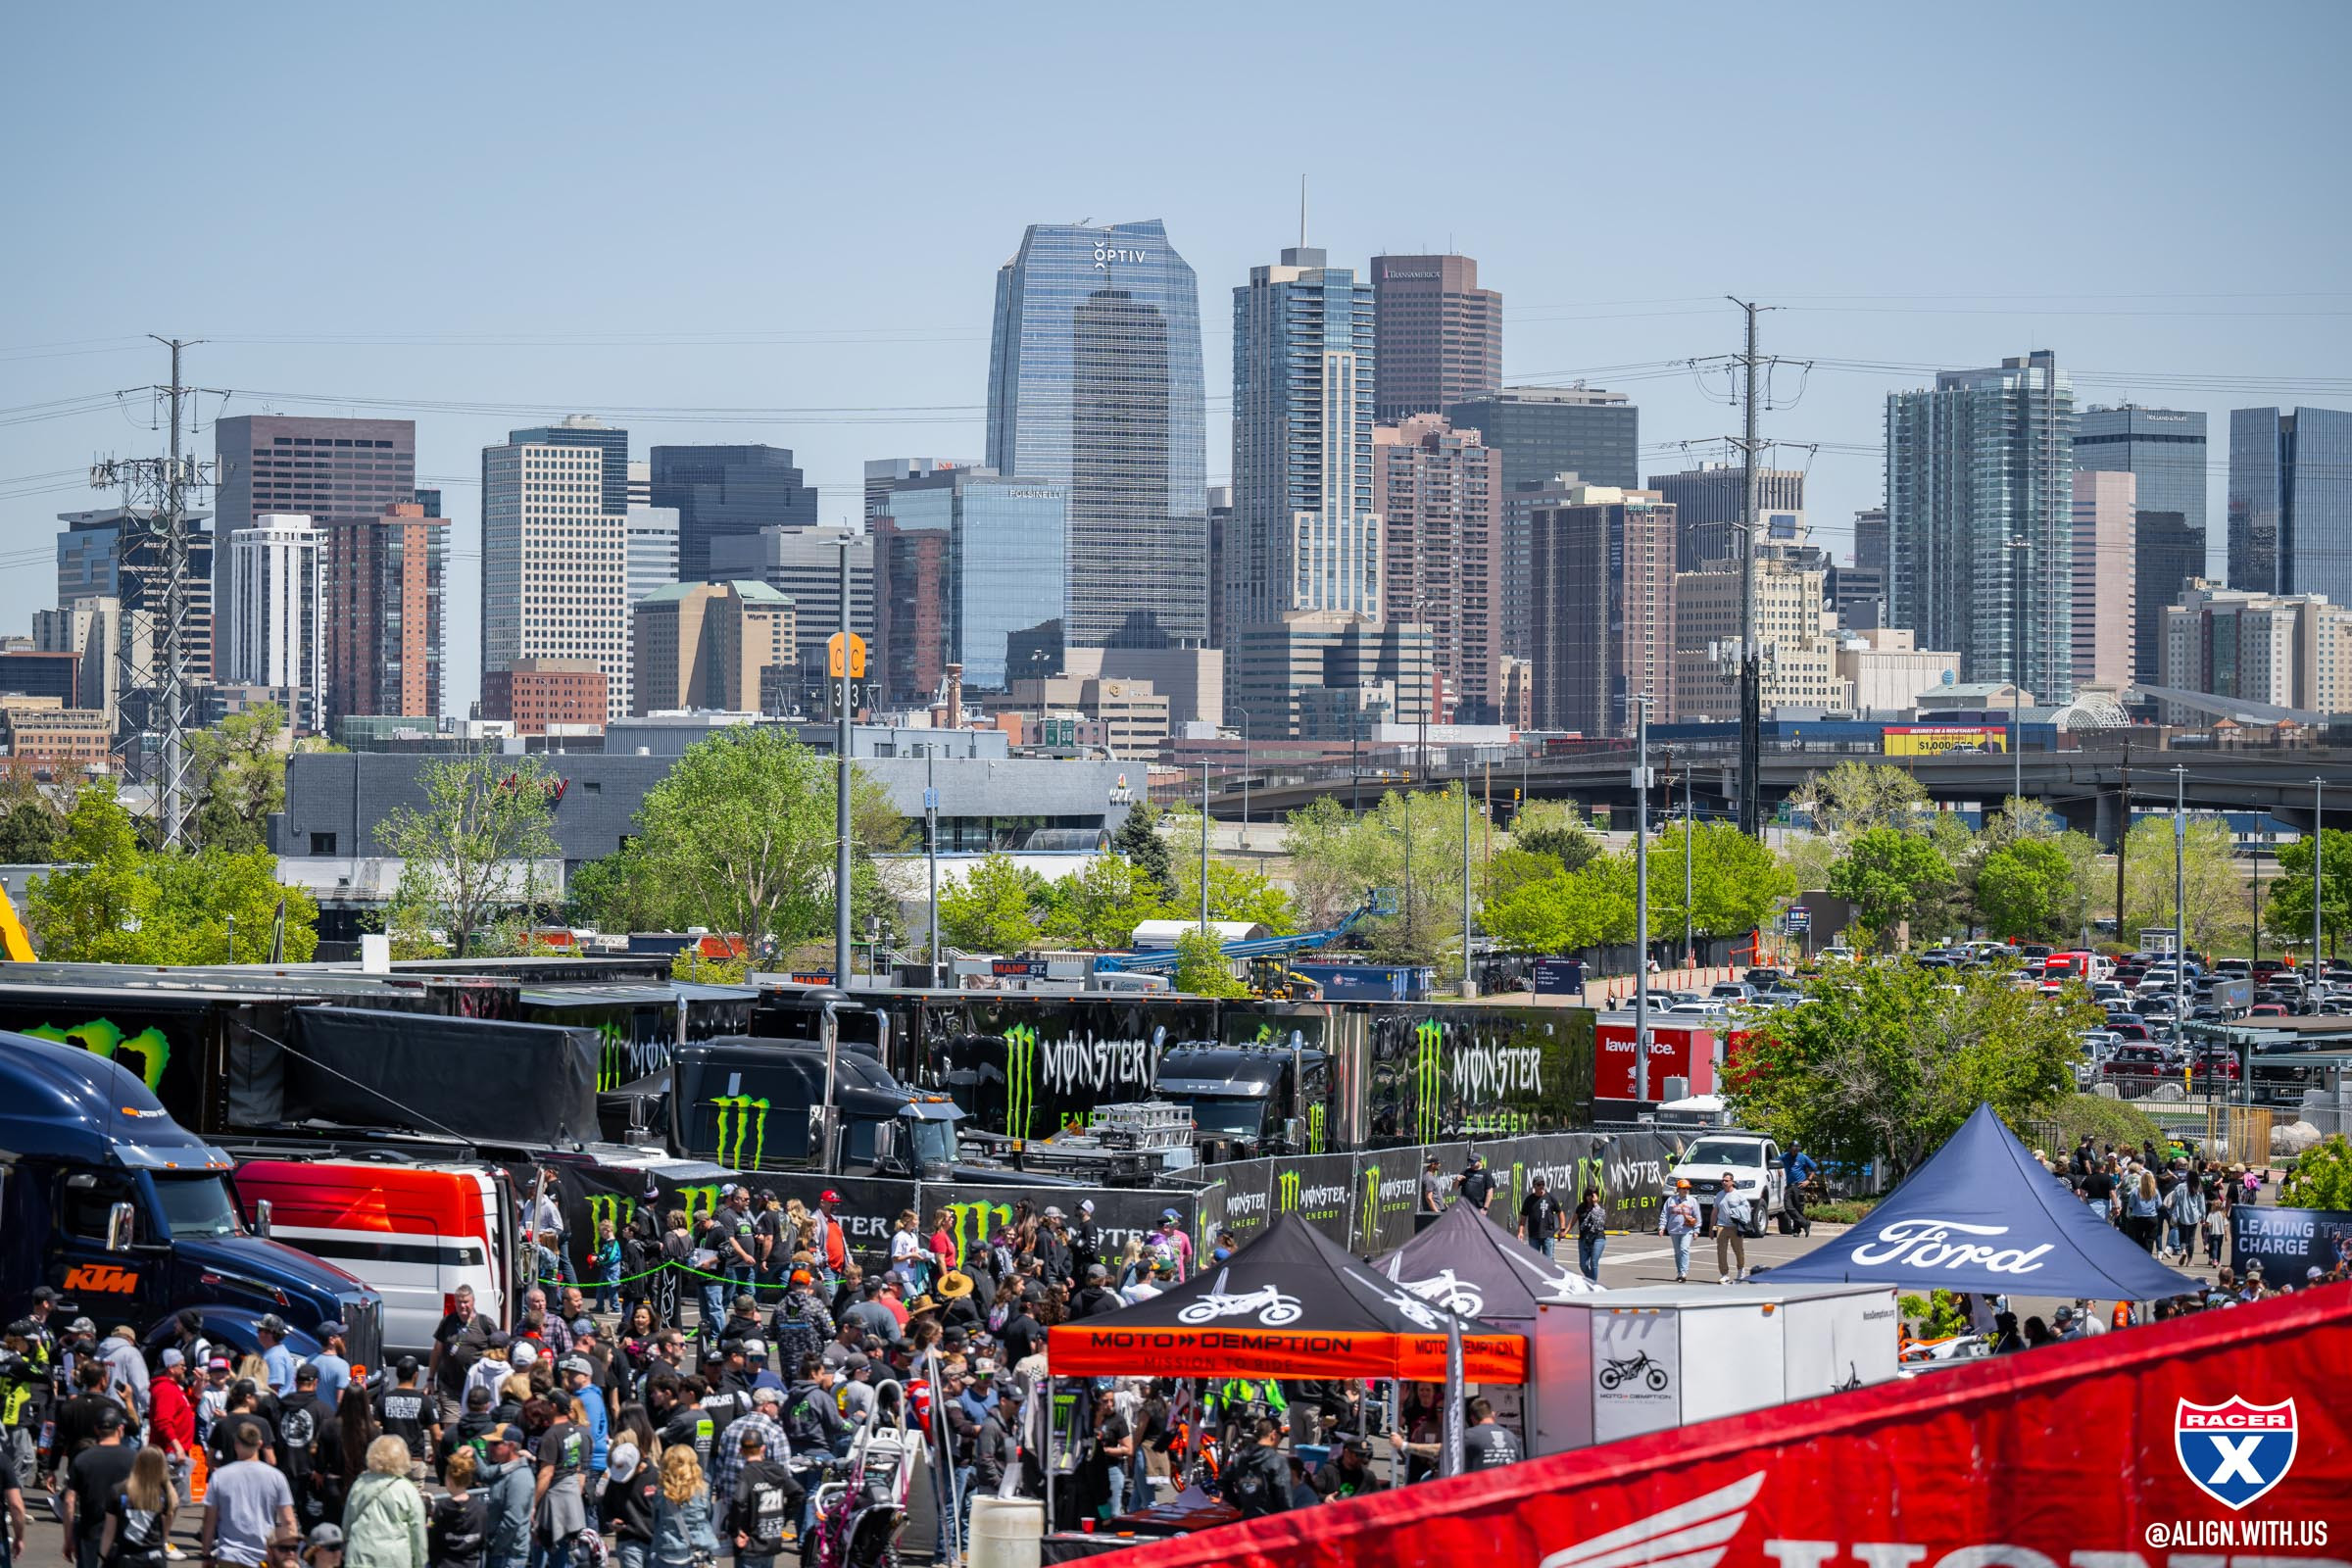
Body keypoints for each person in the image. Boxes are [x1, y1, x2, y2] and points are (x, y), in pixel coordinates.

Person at [201, 1420, 299, 1568]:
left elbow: (209, 1520)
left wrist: (206, 1554)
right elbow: (289, 1521)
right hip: (264, 1555)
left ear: (236, 1444)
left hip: (230, 1555)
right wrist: (290, 1554)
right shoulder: (276, 1477)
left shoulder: (220, 1476)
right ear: (259, 1444)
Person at [63, 1406, 137, 1568]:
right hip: (126, 1536)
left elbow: (69, 1501)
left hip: (91, 1533)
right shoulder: (134, 1459)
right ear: (120, 1429)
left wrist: (69, 1538)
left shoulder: (83, 1459)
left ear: (96, 1429)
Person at [340, 1436, 428, 1568]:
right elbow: (418, 1533)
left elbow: (347, 1524)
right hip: (394, 1558)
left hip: (360, 1555)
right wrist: (420, 1563)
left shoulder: (360, 1484)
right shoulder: (407, 1489)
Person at [724, 1430, 799, 1568]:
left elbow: (739, 1501)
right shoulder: (775, 1470)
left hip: (751, 1543)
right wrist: (784, 1517)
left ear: (741, 1451)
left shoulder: (747, 1474)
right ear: (763, 1448)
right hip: (771, 1539)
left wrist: (734, 1531)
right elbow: (798, 1493)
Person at [96, 1446, 175, 1568]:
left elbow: (109, 1532)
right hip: (155, 1558)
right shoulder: (166, 1495)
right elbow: (163, 1534)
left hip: (126, 1557)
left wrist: (102, 1557)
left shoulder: (118, 1490)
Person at [648, 1448, 718, 1568]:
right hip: (696, 1551)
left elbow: (655, 1520)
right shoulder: (702, 1490)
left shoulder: (661, 1493)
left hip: (666, 1550)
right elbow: (708, 1515)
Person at [477, 1428, 534, 1568]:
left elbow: (512, 1520)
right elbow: (485, 1474)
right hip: (498, 1551)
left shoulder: (520, 1477)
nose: (489, 1447)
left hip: (508, 1555)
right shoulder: (504, 1468)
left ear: (511, 1446)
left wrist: (495, 1545)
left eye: (495, 1444)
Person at [376, 1359, 437, 1480]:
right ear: (415, 1375)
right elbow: (437, 1434)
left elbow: (373, 1428)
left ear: (397, 1374)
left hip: (390, 1459)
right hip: (414, 1460)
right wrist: (435, 1453)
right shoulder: (424, 1401)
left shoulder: (383, 1400)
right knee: (413, 1497)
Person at [428, 1446, 488, 1568]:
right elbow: (483, 1539)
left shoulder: (442, 1508)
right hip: (470, 1563)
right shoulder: (479, 1508)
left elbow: (433, 1539)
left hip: (445, 1562)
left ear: (449, 1480)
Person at [1220, 1418, 1290, 1520]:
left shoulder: (1241, 1457)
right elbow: (1285, 1497)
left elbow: (1223, 1481)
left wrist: (1238, 1504)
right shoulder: (1277, 1461)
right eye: (1281, 1436)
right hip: (1271, 1523)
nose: (1280, 1440)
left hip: (1247, 1521)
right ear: (1273, 1434)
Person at [1309, 1437, 1383, 1501]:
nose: (1362, 1459)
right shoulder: (1328, 1471)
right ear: (1346, 1452)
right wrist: (1325, 1498)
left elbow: (1379, 1499)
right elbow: (1311, 1493)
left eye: (1364, 1455)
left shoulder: (1368, 1475)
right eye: (1358, 1455)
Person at [1657, 1180, 1702, 1284]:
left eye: (1687, 1188)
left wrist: (1696, 1230)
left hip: (1687, 1230)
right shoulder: (1671, 1200)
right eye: (1684, 1188)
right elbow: (1665, 1214)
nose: (1686, 1190)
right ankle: (1679, 1272)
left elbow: (1697, 1216)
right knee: (1677, 1253)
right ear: (1678, 1189)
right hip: (1674, 1230)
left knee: (1684, 1249)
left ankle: (1683, 1273)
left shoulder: (1692, 1201)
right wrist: (1662, 1227)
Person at [1712, 1172, 1752, 1284]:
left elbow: (1747, 1209)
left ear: (1732, 1182)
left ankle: (1741, 1269)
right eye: (1723, 1180)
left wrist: (1739, 1215)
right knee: (1721, 1251)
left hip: (1735, 1227)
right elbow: (1715, 1211)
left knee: (1738, 1250)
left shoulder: (1739, 1195)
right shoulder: (1719, 1195)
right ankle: (1724, 1274)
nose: (1724, 1182)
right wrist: (1711, 1228)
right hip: (1721, 1226)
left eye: (1726, 1180)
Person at [1461, 1397, 1520, 1472]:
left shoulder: (1467, 1436)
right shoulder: (1512, 1437)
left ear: (1472, 1418)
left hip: (1482, 1482)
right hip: (1509, 1482)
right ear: (1493, 1414)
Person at [1517, 1176, 1563, 1260]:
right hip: (1534, 1236)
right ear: (1534, 1186)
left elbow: (1560, 1212)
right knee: (1534, 1261)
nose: (1541, 1186)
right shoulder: (1529, 1200)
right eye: (1539, 1184)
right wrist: (1520, 1232)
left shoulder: (1550, 1198)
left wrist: (1562, 1228)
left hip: (1548, 1235)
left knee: (1549, 1262)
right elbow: (1523, 1218)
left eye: (1543, 1184)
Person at [1573, 1186, 1608, 1282]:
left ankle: (1593, 1285)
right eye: (1588, 1194)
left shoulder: (1599, 1208)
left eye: (1592, 1195)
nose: (1590, 1197)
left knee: (1593, 1262)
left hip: (1598, 1238)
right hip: (1584, 1238)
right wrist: (1565, 1230)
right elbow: (1574, 1220)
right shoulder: (1581, 1207)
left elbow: (1599, 1223)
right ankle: (1591, 1281)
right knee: (1583, 1265)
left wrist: (1595, 1203)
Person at [1782, 1146, 1819, 1238]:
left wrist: (1808, 1180)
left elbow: (1815, 1167)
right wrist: (1778, 1168)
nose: (1795, 1152)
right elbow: (1776, 1161)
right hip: (1789, 1185)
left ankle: (1796, 1230)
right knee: (1788, 1206)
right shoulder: (1785, 1156)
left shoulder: (1802, 1157)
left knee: (1798, 1208)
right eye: (1793, 1150)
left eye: (1797, 1150)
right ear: (1790, 1149)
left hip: (1800, 1185)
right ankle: (1805, 1223)